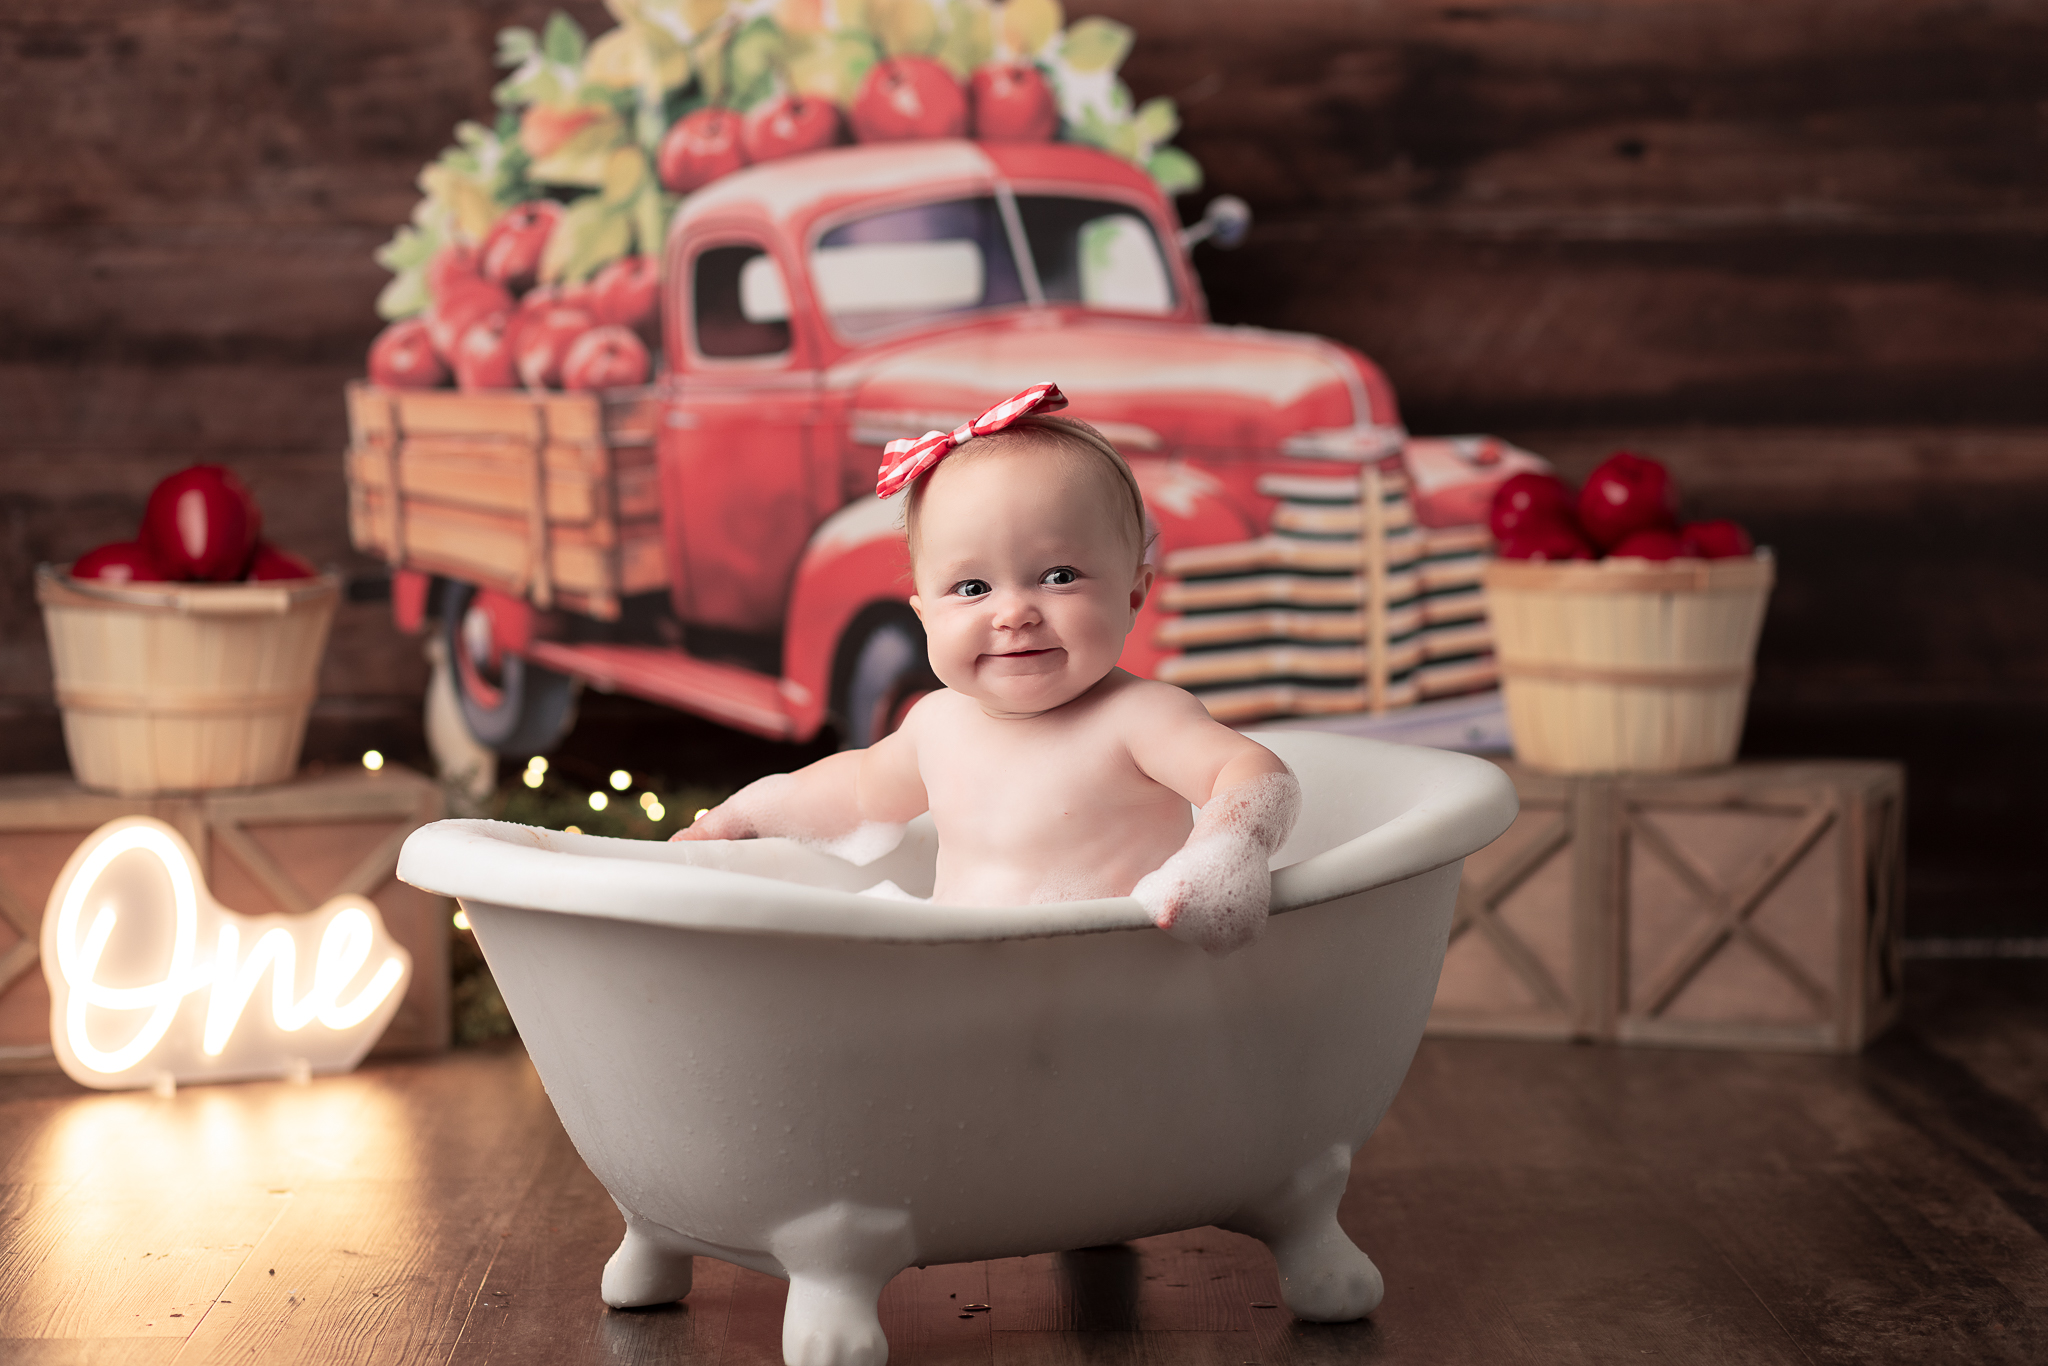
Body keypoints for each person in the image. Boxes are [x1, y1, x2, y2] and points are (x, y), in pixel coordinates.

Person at [676, 383, 1299, 953]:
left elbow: (1250, 770)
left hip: (1109, 980)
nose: (1013, 614)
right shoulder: (937, 724)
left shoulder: (1140, 718)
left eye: (1059, 577)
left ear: (1133, 595)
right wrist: (738, 821)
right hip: (965, 980)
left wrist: (1227, 847)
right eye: (972, 588)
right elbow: (854, 790)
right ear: (924, 617)